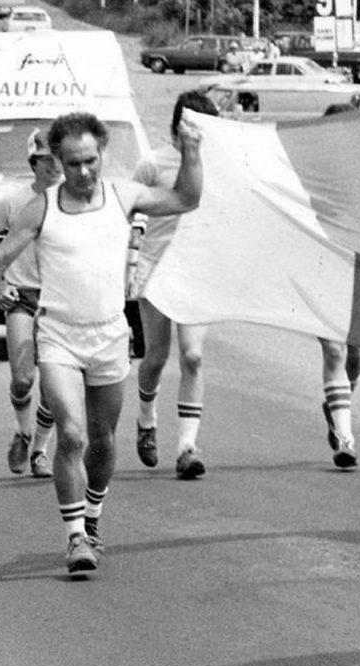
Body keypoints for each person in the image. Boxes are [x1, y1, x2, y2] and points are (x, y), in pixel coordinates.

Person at [0, 111, 203, 575]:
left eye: (91, 161)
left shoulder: (123, 195)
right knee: (73, 434)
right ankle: (75, 536)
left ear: (102, 154)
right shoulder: (41, 208)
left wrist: (193, 151)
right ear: (58, 162)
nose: (84, 172)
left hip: (108, 336)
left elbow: (186, 196)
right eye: (74, 163)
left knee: (101, 442)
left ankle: (94, 516)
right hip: (59, 336)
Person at [132, 91, 217, 480]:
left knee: (194, 357)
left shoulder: (218, 165)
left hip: (197, 271)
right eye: (191, 129)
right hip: (156, 268)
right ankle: (146, 419)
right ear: (176, 128)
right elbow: (128, 210)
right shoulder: (152, 164)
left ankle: (186, 447)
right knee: (155, 357)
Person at [0, 128, 62, 479]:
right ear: (34, 163)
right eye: (47, 159)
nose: (54, 166)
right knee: (23, 378)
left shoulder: (70, 202)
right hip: (21, 296)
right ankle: (23, 432)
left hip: (59, 299)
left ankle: (41, 449)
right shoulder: (13, 201)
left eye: (58, 159)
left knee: (55, 384)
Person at [318, 101, 360, 469]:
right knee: (333, 352)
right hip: (320, 271)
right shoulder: (310, 173)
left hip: (355, 274)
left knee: (355, 357)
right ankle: (345, 440)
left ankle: (336, 404)